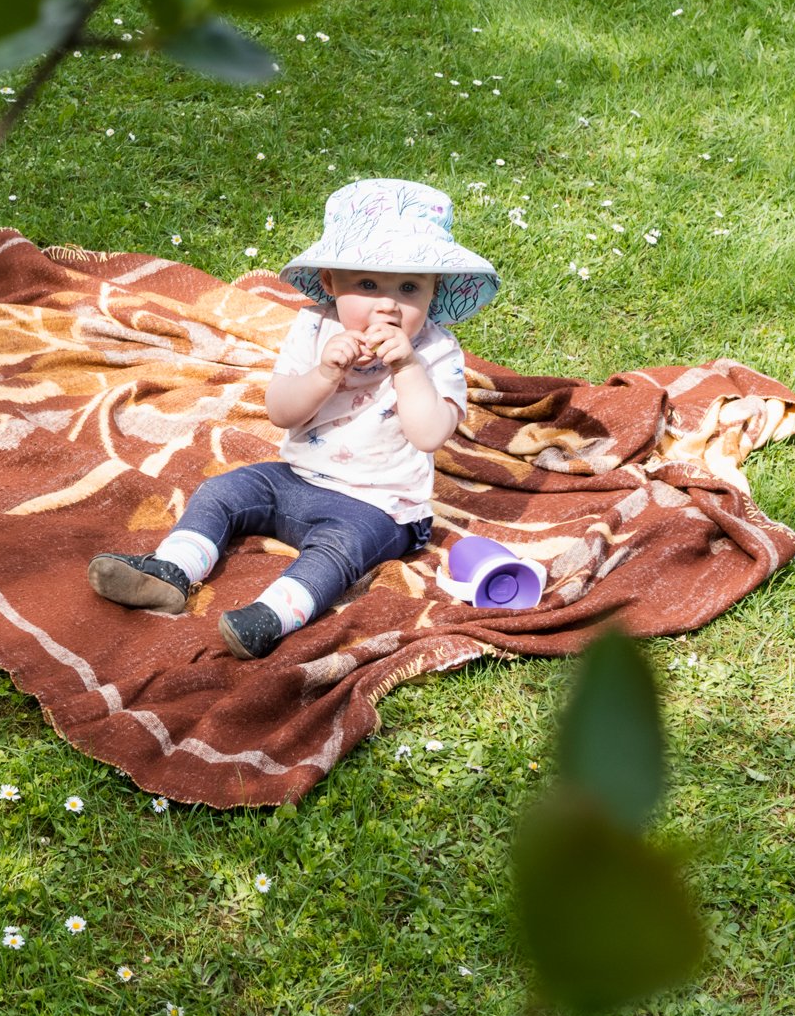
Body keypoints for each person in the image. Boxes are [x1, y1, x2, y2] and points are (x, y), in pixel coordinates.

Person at [87, 178, 500, 658]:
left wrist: (407, 367)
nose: (388, 304)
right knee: (223, 491)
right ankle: (171, 572)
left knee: (338, 550)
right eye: (367, 284)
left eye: (409, 288)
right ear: (330, 282)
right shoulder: (314, 326)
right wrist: (325, 372)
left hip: (382, 507)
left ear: (434, 292)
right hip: (296, 478)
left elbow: (428, 435)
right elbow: (281, 412)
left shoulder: (434, 350)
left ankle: (270, 618)